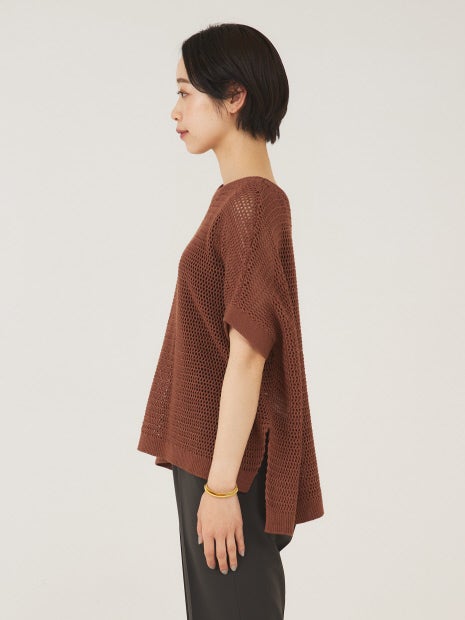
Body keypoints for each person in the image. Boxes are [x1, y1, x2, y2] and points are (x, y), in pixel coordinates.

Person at [137, 22, 324, 619]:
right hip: (220, 458)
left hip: (231, 468)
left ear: (235, 95)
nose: (175, 110)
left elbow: (248, 355)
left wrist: (221, 488)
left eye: (185, 92)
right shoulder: (238, 200)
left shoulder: (252, 204)